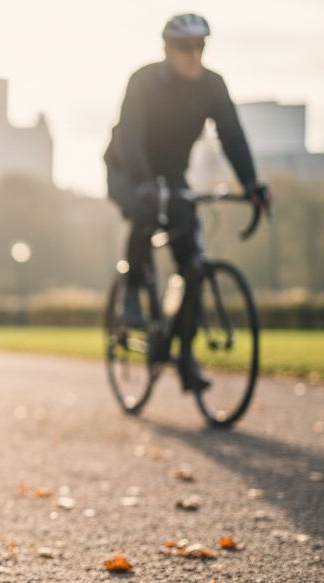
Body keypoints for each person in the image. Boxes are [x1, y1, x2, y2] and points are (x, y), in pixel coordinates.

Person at [105, 13, 272, 390]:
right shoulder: (144, 81)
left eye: (200, 46)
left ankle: (185, 357)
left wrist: (251, 183)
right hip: (127, 168)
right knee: (143, 211)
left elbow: (232, 134)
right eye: (185, 48)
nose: (193, 54)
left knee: (192, 265)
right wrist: (145, 183)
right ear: (168, 49)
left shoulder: (212, 86)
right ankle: (131, 293)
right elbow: (130, 136)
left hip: (173, 174)